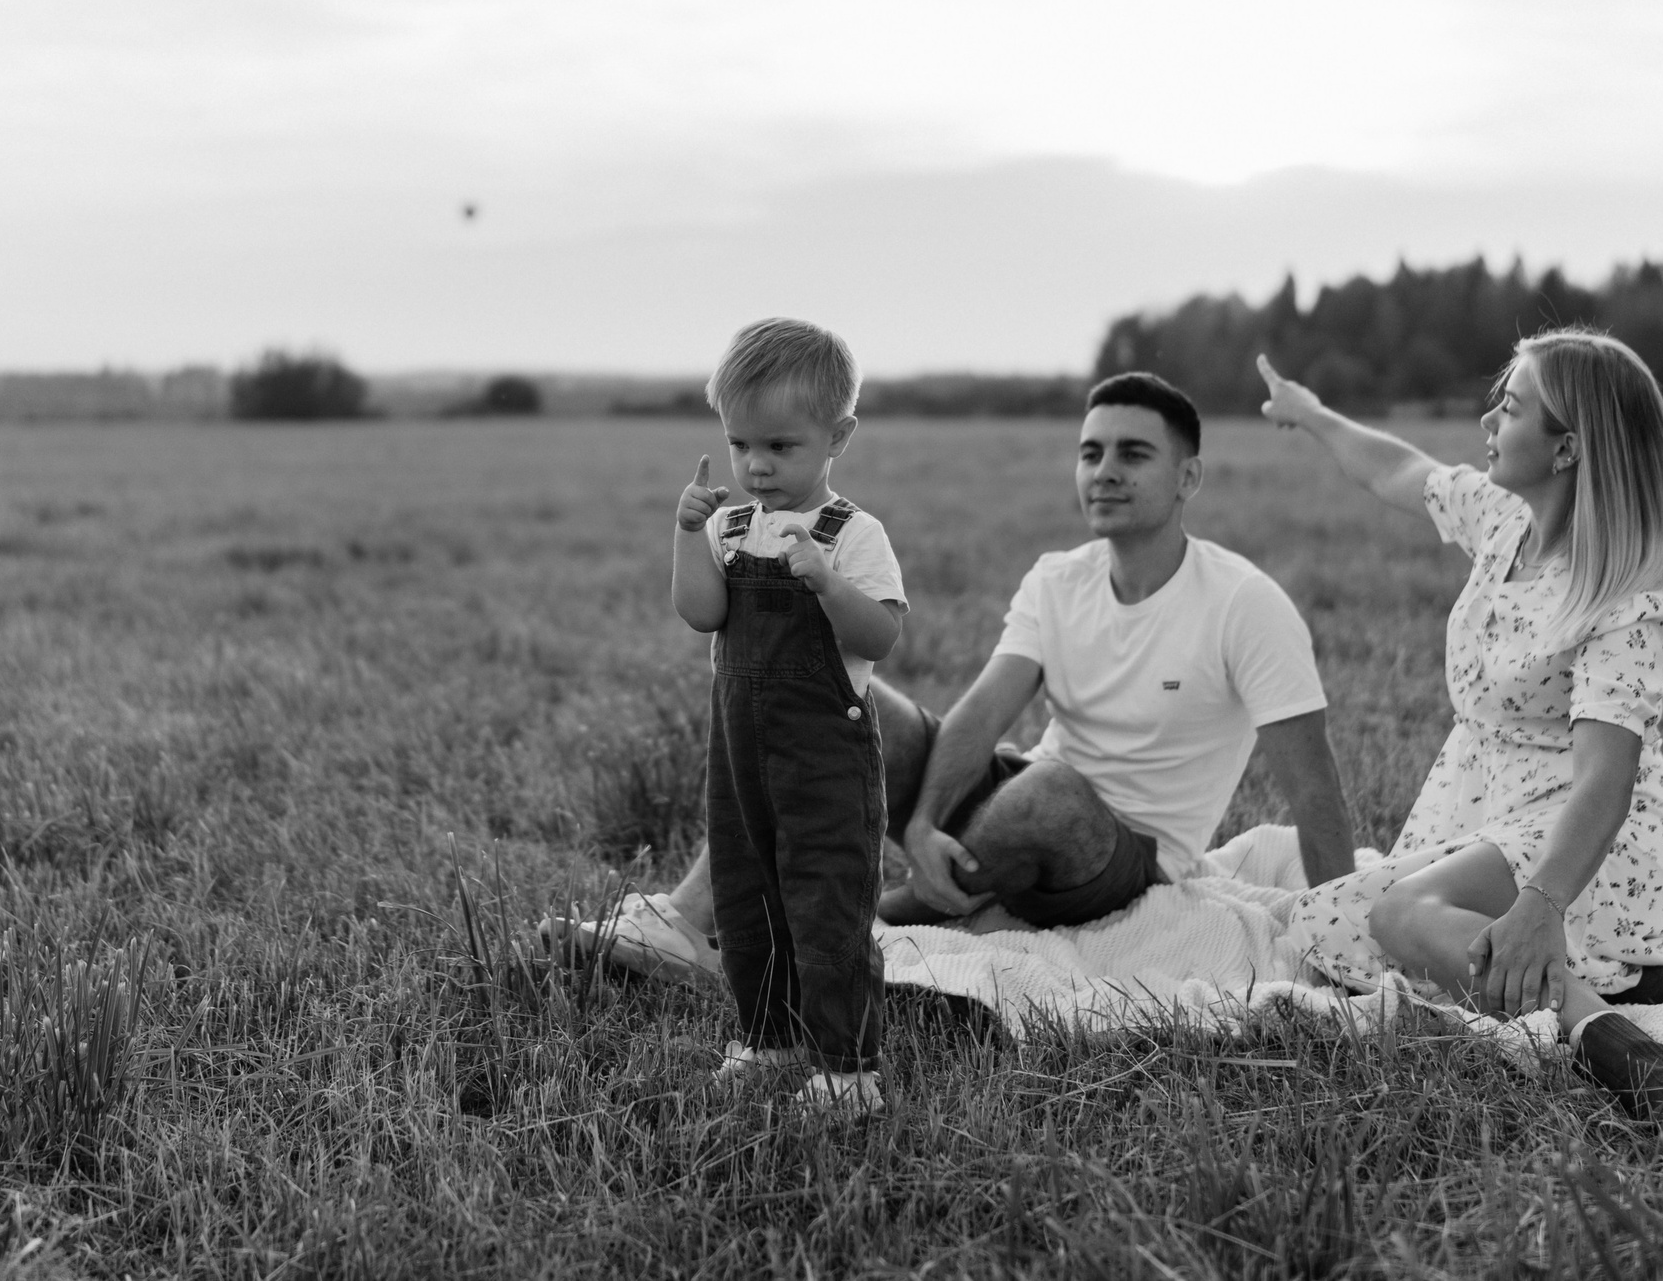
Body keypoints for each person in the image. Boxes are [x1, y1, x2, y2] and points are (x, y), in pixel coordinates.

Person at [556, 370, 1355, 988]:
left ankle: (840, 926)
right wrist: (924, 822)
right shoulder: (1058, 577)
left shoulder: (1245, 603)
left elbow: (1313, 787)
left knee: (1050, 790)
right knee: (866, 707)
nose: (1104, 472)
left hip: (1128, 853)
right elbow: (980, 712)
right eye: (1091, 451)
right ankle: (690, 923)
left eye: (1134, 454)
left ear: (1189, 479)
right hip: (1027, 789)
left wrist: (1339, 936)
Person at [1261, 331, 1663, 1121]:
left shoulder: (1627, 597)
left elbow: (1604, 780)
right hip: (1489, 804)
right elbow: (1396, 470)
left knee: (1399, 916)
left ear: (1567, 448)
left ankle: (1612, 1039)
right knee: (1331, 925)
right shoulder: (1501, 518)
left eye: (1510, 406)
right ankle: (1623, 976)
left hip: (1588, 836)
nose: (1488, 418)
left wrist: (1543, 903)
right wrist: (1311, 414)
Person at [677, 318, 907, 1113]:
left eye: (780, 446)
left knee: (825, 899)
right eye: (741, 445)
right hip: (740, 757)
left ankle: (848, 1065)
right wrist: (685, 535)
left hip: (824, 761)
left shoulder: (852, 533)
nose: (757, 466)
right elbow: (702, 614)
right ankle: (767, 1035)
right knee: (746, 896)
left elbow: (881, 634)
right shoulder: (730, 527)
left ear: (839, 434)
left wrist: (823, 580)